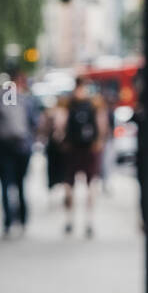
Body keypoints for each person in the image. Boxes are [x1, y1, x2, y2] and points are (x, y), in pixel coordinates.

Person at [0, 71, 39, 236]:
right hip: (21, 147)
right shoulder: (26, 100)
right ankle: (22, 220)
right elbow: (33, 124)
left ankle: (7, 221)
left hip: (2, 146)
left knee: (4, 185)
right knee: (21, 184)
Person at [62, 77, 107, 238]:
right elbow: (101, 125)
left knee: (76, 186)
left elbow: (61, 125)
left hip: (77, 148)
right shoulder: (93, 104)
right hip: (86, 149)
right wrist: (99, 141)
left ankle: (74, 221)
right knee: (84, 186)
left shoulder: (70, 104)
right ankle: (85, 221)